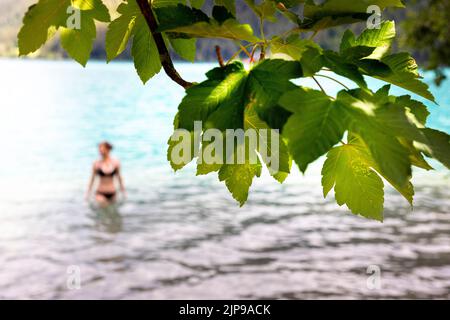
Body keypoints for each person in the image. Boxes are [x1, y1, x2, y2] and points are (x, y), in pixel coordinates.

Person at [85, 141, 126, 206]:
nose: (100, 151)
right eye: (99, 149)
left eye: (102, 149)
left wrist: (123, 191)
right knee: (104, 210)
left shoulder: (115, 163)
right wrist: (88, 193)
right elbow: (92, 179)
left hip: (113, 193)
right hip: (100, 193)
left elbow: (119, 178)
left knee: (113, 212)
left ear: (108, 149)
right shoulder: (96, 164)